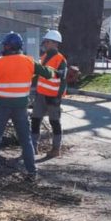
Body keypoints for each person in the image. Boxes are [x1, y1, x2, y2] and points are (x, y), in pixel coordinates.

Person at [0, 32, 55, 182]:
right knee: (25, 140)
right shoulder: (29, 62)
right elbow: (48, 73)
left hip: (2, 105)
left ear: (10, 47)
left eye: (5, 45)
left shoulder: (0, 63)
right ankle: (32, 171)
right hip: (20, 107)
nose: (3, 47)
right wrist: (52, 70)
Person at [31, 29, 68, 158]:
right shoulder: (44, 57)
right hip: (41, 94)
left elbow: (63, 81)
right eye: (45, 42)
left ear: (55, 43)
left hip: (53, 97)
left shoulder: (60, 60)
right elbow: (39, 75)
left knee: (54, 122)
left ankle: (56, 149)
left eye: (47, 42)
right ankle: (33, 147)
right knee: (35, 120)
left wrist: (58, 97)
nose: (45, 44)